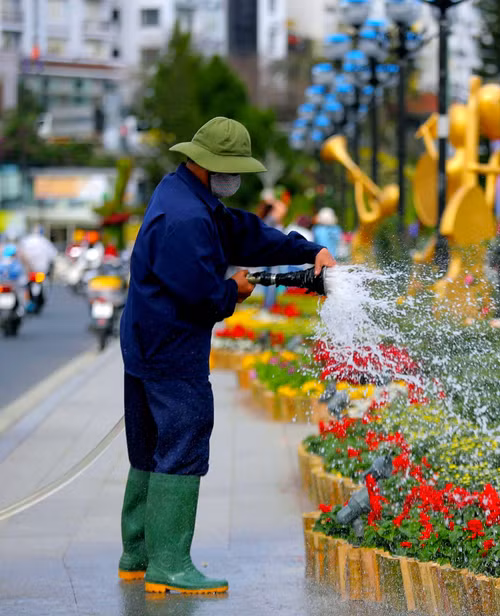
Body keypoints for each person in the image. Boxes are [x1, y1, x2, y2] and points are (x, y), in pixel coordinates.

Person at [117, 117, 335, 594]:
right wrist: (233, 290)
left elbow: (245, 233)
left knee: (149, 448)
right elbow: (200, 296)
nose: (236, 179)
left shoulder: (184, 195)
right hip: (172, 352)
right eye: (232, 169)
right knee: (182, 444)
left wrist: (308, 249)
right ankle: (169, 566)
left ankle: (137, 554)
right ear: (210, 165)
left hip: (144, 344)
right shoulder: (187, 219)